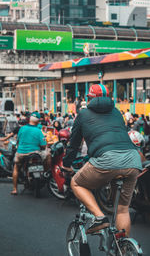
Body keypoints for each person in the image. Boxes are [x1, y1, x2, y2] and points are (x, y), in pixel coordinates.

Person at [63, 84, 142, 237]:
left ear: (89, 98)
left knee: (76, 183)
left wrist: (66, 165)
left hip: (107, 159)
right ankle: (122, 248)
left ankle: (100, 217)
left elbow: (73, 145)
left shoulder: (83, 114)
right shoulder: (117, 112)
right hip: (133, 158)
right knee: (123, 209)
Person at [11, 112, 51, 195]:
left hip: (21, 153)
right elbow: (43, 145)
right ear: (38, 121)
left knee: (16, 168)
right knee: (48, 155)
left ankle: (15, 189)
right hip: (35, 153)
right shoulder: (38, 131)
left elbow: (18, 141)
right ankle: (46, 173)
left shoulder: (22, 129)